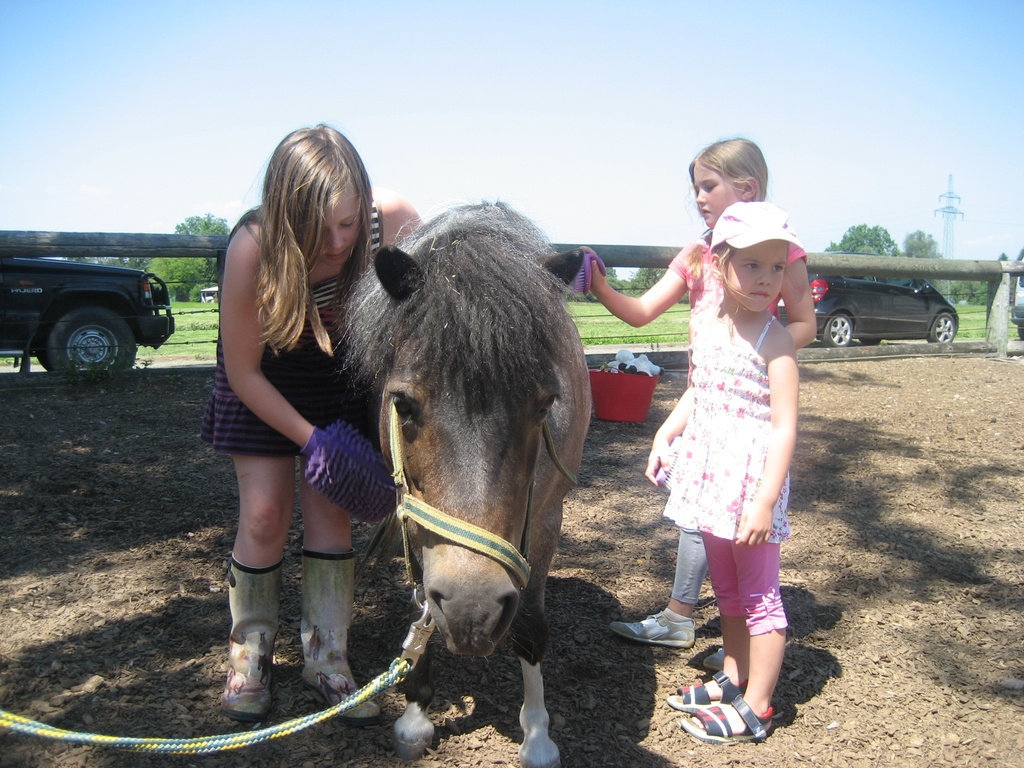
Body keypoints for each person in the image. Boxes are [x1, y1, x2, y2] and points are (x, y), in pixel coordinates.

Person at [200, 125, 420, 724]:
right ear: (285, 215)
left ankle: (326, 657)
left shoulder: (393, 220)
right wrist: (313, 441)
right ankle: (249, 656)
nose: (338, 242)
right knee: (265, 514)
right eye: (318, 230)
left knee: (331, 512)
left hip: (338, 376)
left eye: (347, 223)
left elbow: (428, 303)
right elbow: (244, 371)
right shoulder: (252, 246)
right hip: (265, 379)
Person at [594, 139, 814, 667]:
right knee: (701, 511)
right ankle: (701, 629)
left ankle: (698, 627)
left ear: (747, 189)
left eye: (708, 186)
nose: (698, 197)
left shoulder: (782, 254)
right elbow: (641, 311)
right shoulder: (698, 252)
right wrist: (597, 284)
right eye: (694, 187)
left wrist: (760, 355)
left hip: (743, 397)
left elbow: (805, 323)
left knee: (729, 528)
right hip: (707, 395)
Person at [656, 200, 799, 743]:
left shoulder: (775, 340)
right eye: (751, 265)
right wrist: (665, 432)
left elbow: (784, 427)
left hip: (751, 483)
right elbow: (700, 388)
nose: (766, 279)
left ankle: (758, 706)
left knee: (760, 594)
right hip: (711, 481)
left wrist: (765, 500)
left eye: (776, 267)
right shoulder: (710, 326)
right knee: (727, 588)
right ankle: (734, 677)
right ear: (719, 265)